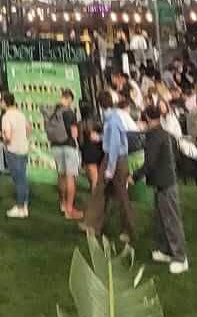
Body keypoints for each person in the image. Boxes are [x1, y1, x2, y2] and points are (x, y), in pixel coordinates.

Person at [81, 93, 136, 247]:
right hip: (115, 158)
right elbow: (111, 139)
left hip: (115, 159)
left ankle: (127, 230)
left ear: (100, 105)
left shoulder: (112, 121)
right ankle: (93, 225)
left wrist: (110, 169)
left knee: (119, 195)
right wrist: (100, 138)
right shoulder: (113, 118)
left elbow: (115, 145)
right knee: (104, 191)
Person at [139, 108, 189, 275]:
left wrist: (134, 176)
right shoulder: (165, 134)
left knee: (171, 221)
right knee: (161, 219)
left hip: (166, 183)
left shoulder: (154, 136)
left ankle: (181, 258)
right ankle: (167, 251)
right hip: (164, 182)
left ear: (146, 118)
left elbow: (149, 163)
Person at [44, 90, 83, 221]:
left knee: (61, 176)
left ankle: (62, 204)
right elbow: (74, 133)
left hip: (55, 146)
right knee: (70, 177)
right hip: (68, 146)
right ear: (69, 99)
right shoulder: (69, 112)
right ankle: (69, 209)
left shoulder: (52, 111)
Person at [0, 90, 32, 219]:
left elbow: (7, 136)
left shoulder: (7, 116)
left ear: (4, 102)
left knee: (18, 180)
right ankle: (24, 206)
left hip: (13, 151)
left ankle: (19, 207)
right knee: (23, 178)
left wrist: (3, 138)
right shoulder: (20, 114)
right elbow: (29, 128)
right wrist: (23, 138)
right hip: (23, 149)